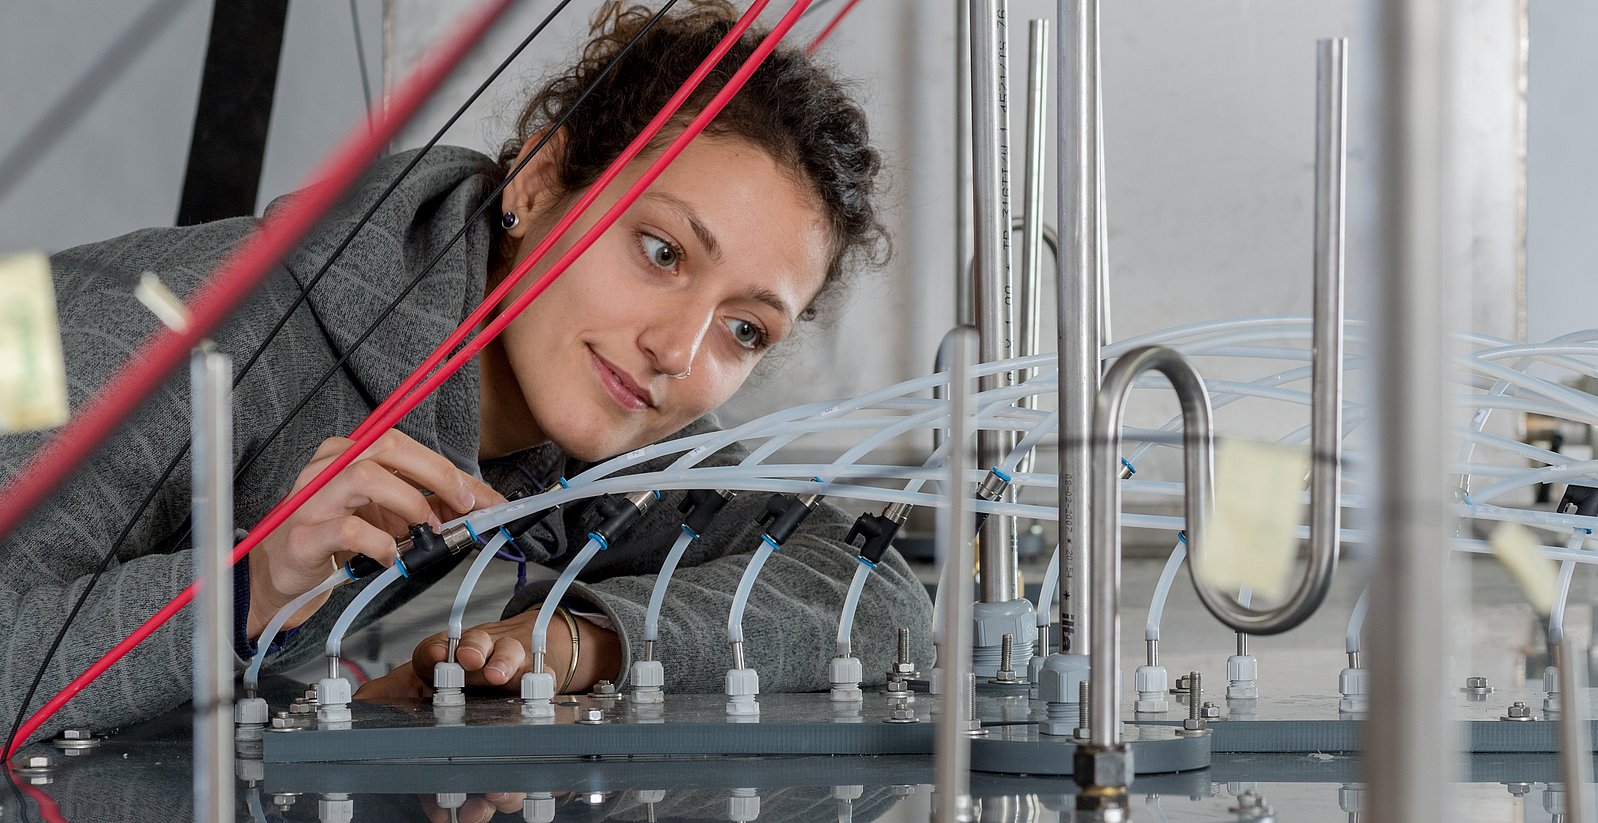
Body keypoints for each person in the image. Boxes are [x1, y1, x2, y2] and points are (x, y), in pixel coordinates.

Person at [0, 0, 932, 742]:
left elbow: (875, 591)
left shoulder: (612, 427)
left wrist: (582, 639)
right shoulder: (146, 326)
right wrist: (252, 587)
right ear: (537, 182)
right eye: (660, 252)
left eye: (744, 329)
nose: (678, 351)